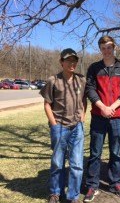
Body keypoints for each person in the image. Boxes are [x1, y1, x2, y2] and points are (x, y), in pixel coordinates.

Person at [83, 35, 120, 202]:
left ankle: (115, 183)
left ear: (114, 47)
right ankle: (92, 186)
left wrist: (112, 107)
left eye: (109, 47)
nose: (106, 50)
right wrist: (103, 107)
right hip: (98, 116)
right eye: (103, 48)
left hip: (116, 116)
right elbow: (90, 89)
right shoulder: (94, 67)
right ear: (100, 49)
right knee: (95, 152)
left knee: (115, 152)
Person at [40, 48, 87, 203]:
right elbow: (47, 104)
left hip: (77, 127)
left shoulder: (81, 80)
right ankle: (55, 193)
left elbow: (84, 100)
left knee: (77, 163)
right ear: (61, 62)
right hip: (59, 127)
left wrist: (83, 115)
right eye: (68, 60)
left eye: (74, 60)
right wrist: (54, 125)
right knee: (57, 162)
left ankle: (73, 196)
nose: (72, 63)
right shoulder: (53, 80)